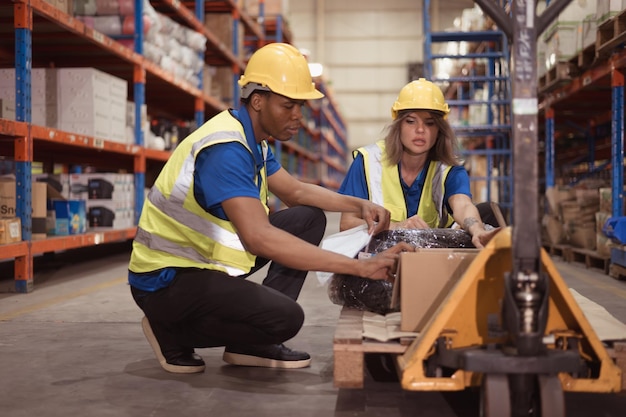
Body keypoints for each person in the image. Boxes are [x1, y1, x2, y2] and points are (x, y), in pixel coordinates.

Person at [127, 43, 413, 374]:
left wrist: (359, 204)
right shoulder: (226, 149)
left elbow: (294, 191)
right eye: (288, 105)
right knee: (285, 319)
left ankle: (250, 343)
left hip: (201, 262)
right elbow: (259, 238)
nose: (297, 116)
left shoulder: (255, 142)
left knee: (306, 219)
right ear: (258, 101)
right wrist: (359, 267)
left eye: (300, 106)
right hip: (165, 280)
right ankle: (170, 332)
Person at [338, 78, 499, 248]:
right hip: (377, 254)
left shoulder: (449, 169)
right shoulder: (368, 161)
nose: (420, 130)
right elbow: (347, 223)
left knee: (487, 212)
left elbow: (463, 205)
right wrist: (397, 228)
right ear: (398, 125)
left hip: (430, 255)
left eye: (430, 123)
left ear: (439, 130)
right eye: (411, 121)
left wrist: (478, 229)